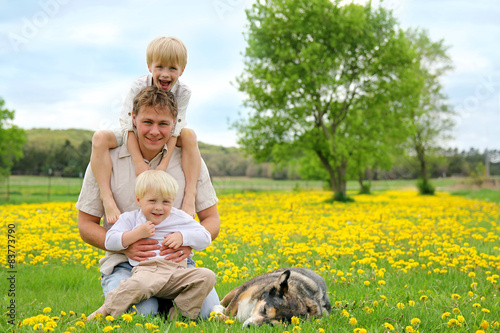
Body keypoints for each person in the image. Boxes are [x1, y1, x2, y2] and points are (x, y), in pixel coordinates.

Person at [76, 86, 220, 318]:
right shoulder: (105, 158)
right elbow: (86, 225)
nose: (155, 131)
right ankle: (149, 304)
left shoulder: (189, 158)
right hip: (126, 264)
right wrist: (127, 244)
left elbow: (211, 220)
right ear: (133, 119)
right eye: (147, 122)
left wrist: (187, 242)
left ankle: (172, 308)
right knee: (139, 313)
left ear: (174, 124)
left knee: (206, 313)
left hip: (177, 265)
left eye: (163, 124)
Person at [91, 36, 201, 224]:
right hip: (134, 132)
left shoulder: (183, 93)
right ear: (149, 66)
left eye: (172, 68)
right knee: (100, 138)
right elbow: (127, 124)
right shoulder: (139, 86)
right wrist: (139, 163)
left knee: (190, 135)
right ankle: (106, 197)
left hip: (167, 134)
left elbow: (176, 129)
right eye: (160, 67)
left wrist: (162, 167)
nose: (165, 74)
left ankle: (191, 194)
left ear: (182, 70)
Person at [87, 170, 216, 320]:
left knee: (207, 276)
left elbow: (205, 237)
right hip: (147, 271)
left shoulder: (179, 217)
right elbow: (110, 240)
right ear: (139, 200)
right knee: (137, 287)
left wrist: (183, 237)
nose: (159, 207)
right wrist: (135, 234)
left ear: (173, 201)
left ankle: (178, 316)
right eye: (152, 201)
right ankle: (106, 310)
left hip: (176, 273)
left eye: (166, 202)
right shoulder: (130, 219)